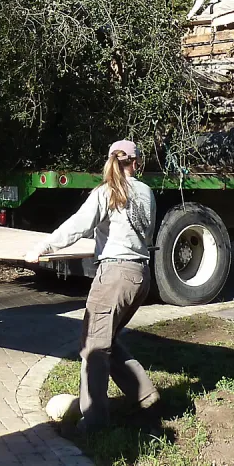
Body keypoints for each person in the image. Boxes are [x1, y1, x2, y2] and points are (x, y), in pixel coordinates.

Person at [24, 140, 159, 433]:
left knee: (93, 347)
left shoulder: (106, 192)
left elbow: (78, 225)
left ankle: (95, 422)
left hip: (114, 276)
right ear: (136, 163)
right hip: (140, 276)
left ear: (109, 160)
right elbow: (142, 233)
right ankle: (145, 394)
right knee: (104, 337)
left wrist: (43, 247)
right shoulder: (147, 193)